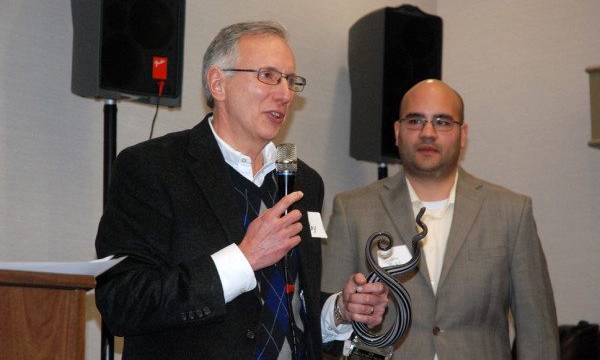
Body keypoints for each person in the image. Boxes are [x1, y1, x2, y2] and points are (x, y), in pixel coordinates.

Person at [95, 21, 387, 360]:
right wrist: (243, 259)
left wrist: (338, 311)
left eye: (290, 80)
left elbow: (284, 308)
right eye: (268, 76)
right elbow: (123, 302)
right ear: (218, 83)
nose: (285, 94)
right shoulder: (153, 167)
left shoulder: (305, 181)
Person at [321, 79, 560, 359]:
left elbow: (538, 334)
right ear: (397, 132)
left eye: (443, 122)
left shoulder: (511, 212)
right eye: (415, 121)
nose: (428, 133)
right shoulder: (351, 210)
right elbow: (325, 321)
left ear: (463, 134)